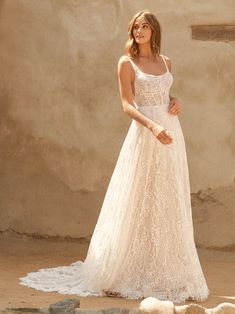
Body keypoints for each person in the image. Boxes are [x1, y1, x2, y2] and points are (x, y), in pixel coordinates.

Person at [19, 9, 210, 303]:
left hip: (170, 134)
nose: (139, 31)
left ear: (154, 31)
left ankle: (164, 271)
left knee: (166, 198)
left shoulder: (166, 61)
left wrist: (175, 102)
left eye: (144, 26)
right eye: (135, 27)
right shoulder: (126, 63)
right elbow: (127, 104)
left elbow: (165, 95)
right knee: (136, 198)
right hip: (146, 134)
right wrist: (152, 125)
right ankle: (122, 271)